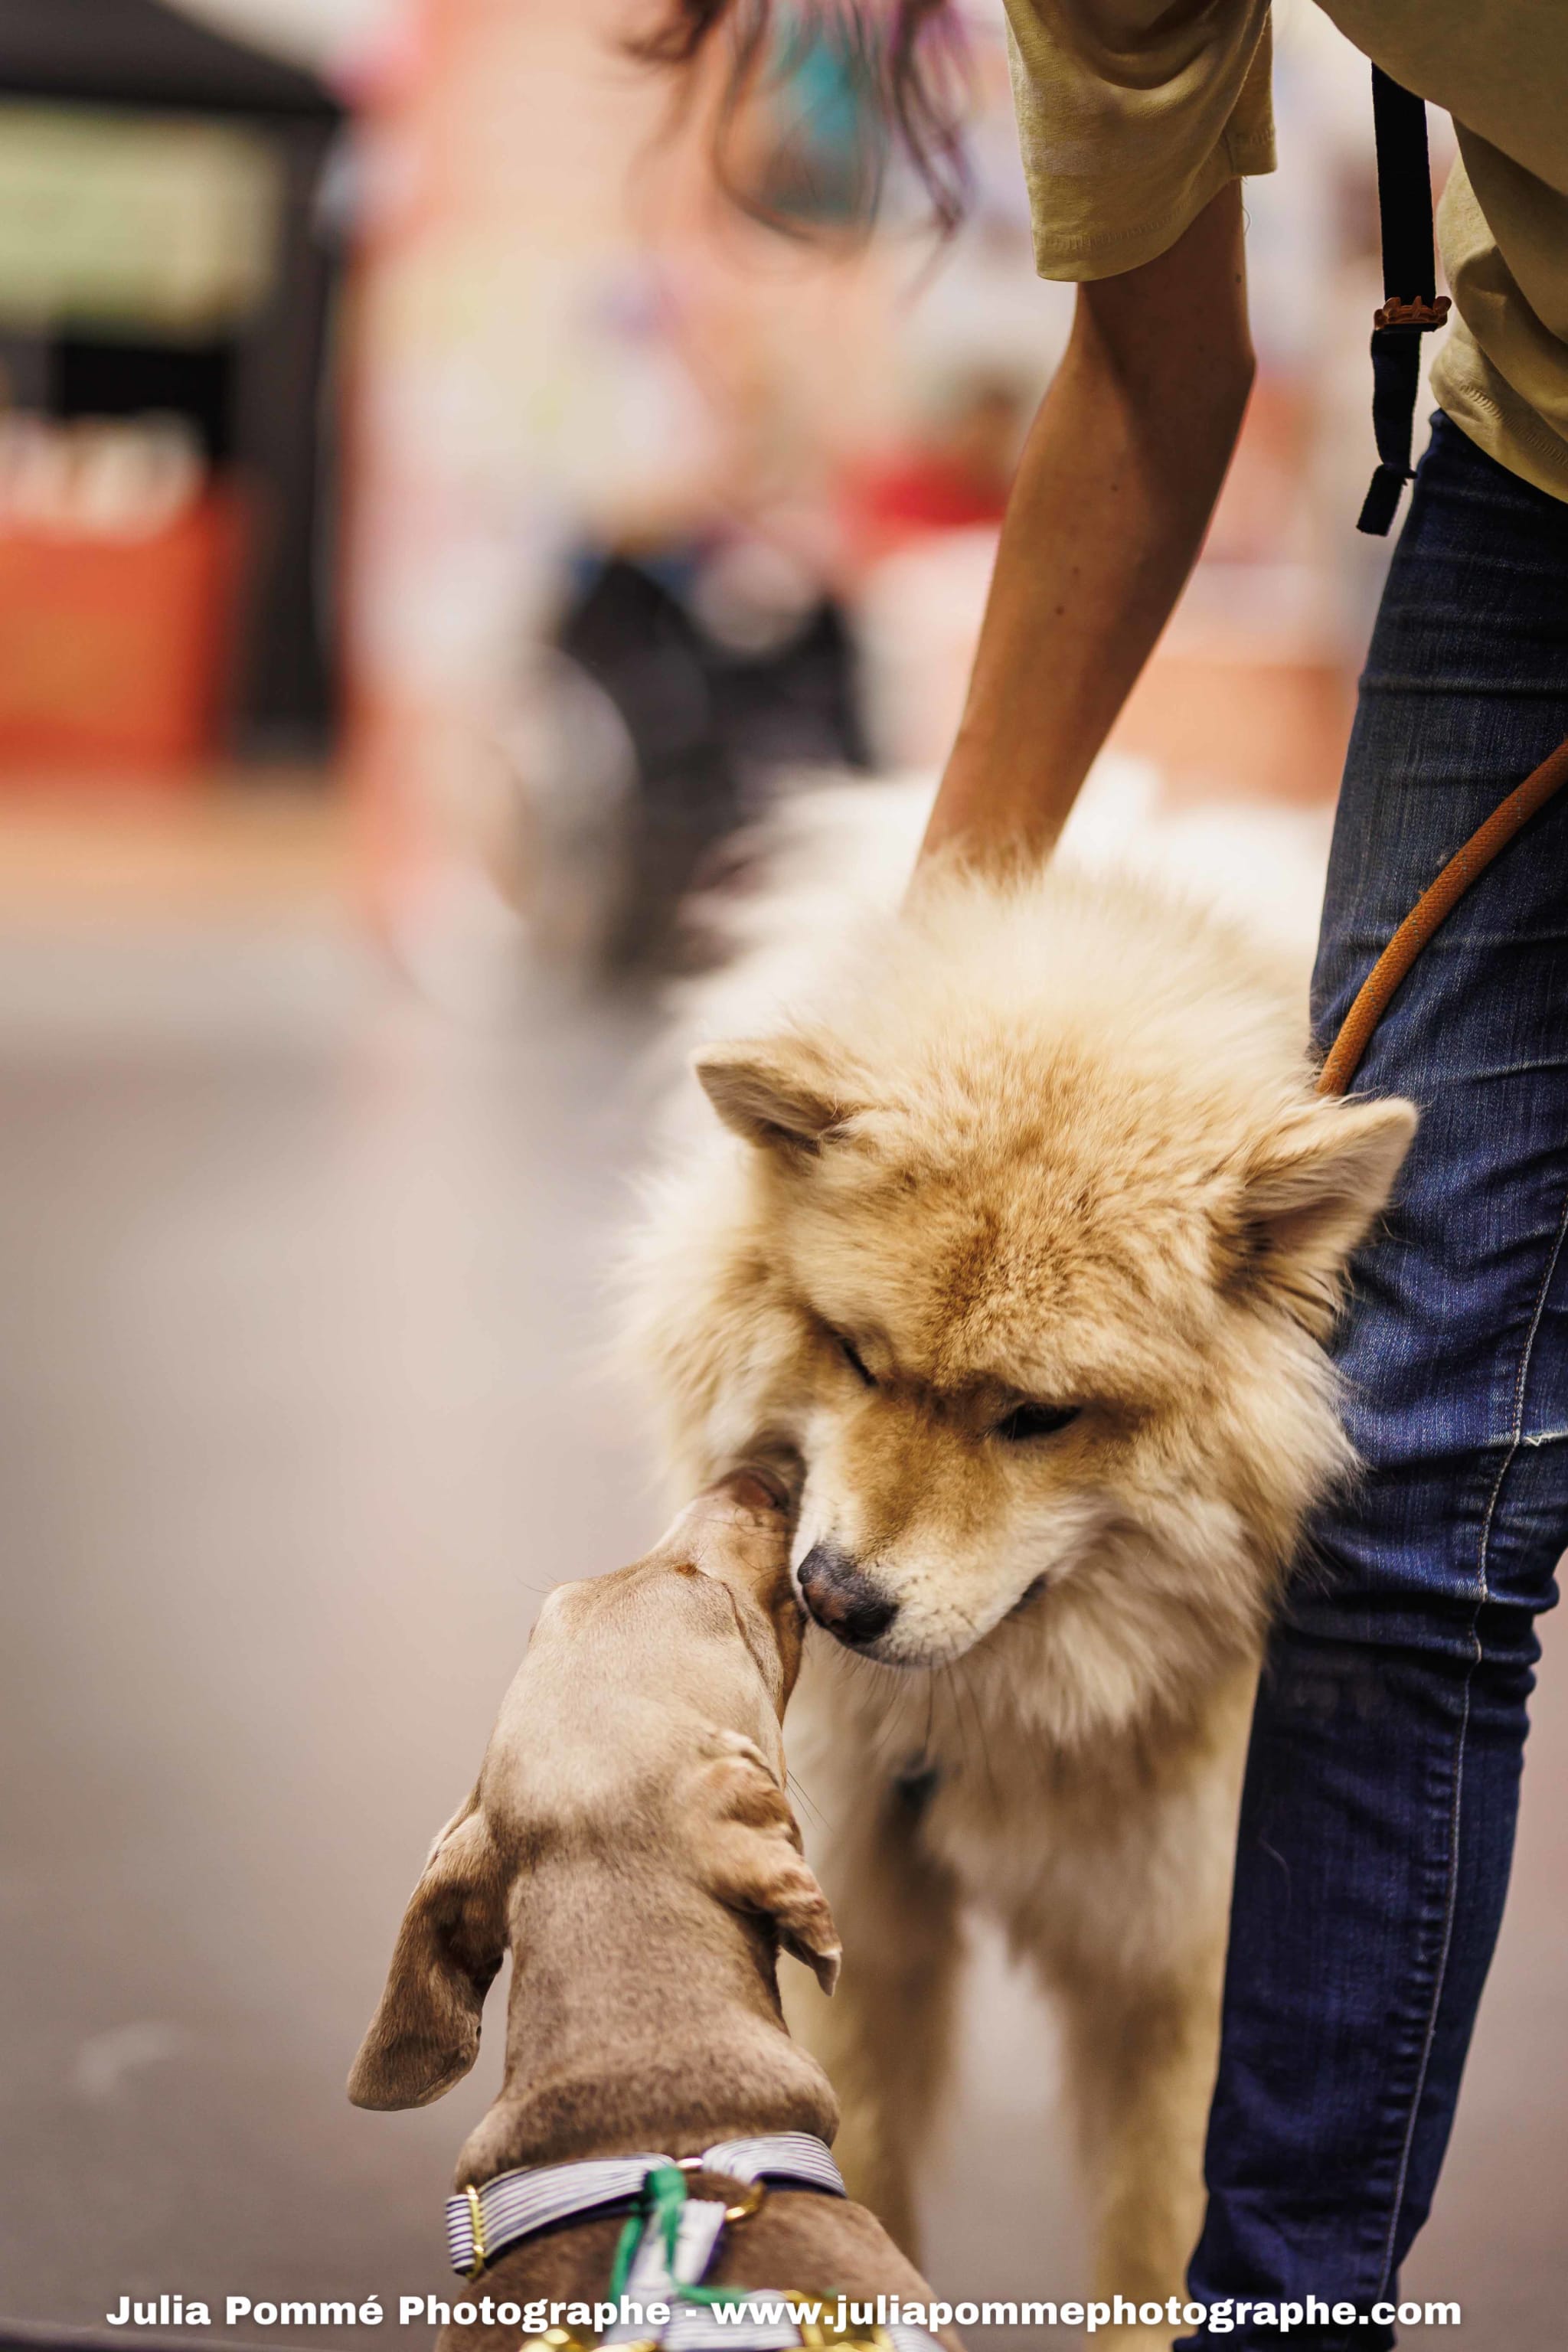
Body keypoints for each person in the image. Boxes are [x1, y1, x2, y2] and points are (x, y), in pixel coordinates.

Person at [645, 5, 1568, 2344]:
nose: (876, 1542)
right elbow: (1158, 371)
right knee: (1422, 1472)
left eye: (1028, 1419)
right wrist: (935, 964)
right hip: (1538, 453)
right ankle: (1281, 2316)